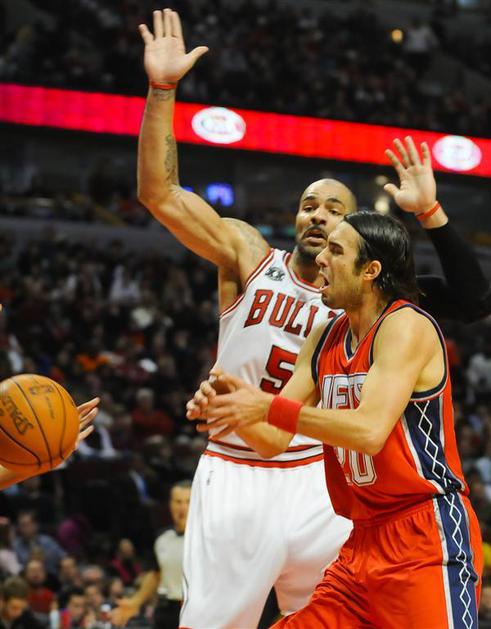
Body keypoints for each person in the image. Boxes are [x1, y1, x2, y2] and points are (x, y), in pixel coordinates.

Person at [137, 8, 491, 627]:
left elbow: (472, 298)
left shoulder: (384, 305)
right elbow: (160, 195)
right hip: (247, 461)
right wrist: (162, 90)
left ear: (361, 245)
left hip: (331, 484)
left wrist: (431, 213)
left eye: (334, 209)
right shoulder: (255, 260)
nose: (319, 216)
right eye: (308, 205)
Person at [190, 211, 483, 627]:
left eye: (336, 250)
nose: (321, 258)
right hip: (361, 542)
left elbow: (369, 431)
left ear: (370, 270)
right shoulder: (324, 336)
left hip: (425, 536)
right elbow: (273, 440)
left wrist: (264, 405)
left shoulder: (405, 325)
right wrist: (231, 406)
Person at [111, 480, 192, 629]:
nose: (182, 507)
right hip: (165, 609)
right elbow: (156, 574)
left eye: (188, 501)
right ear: (170, 505)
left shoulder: (206, 539)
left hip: (193, 610)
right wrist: (135, 602)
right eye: (178, 502)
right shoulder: (162, 538)